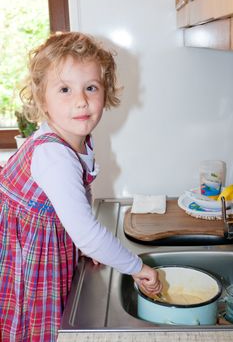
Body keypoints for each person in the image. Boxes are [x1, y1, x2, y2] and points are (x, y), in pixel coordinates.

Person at [0, 32, 162, 341]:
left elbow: (75, 205)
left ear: (105, 91)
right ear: (42, 99)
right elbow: (87, 232)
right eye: (64, 89)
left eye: (91, 87)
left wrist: (82, 246)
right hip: (25, 261)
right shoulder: (54, 154)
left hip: (44, 247)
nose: (81, 101)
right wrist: (136, 267)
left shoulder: (75, 140)